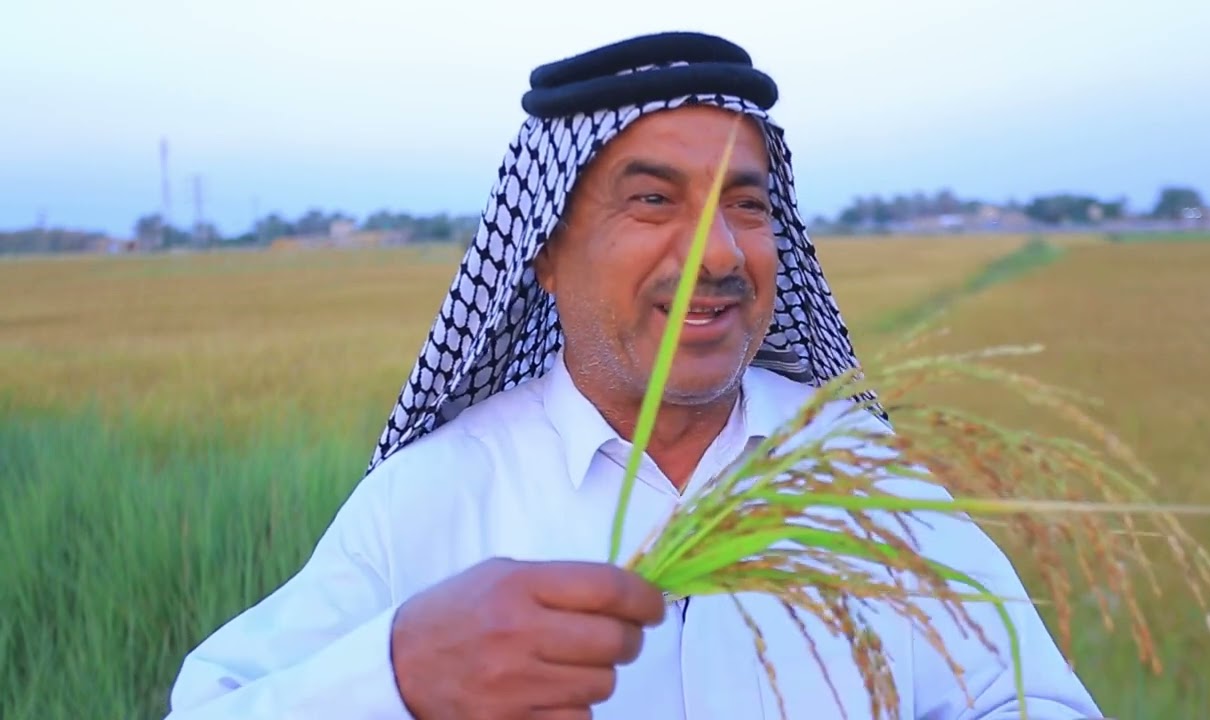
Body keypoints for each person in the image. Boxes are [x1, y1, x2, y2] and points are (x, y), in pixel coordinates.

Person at [165, 31, 1102, 720]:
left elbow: (1029, 700)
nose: (721, 254)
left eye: (745, 203)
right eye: (653, 201)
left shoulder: (858, 474)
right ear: (545, 248)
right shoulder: (438, 494)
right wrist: (398, 676)